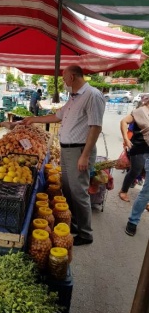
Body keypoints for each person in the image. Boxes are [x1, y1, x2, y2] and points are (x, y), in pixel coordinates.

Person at [23, 65, 105, 246]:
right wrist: (33, 120)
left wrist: (85, 155)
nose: (63, 82)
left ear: (73, 77)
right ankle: (75, 223)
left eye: (64, 78)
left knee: (78, 192)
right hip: (68, 150)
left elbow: (95, 127)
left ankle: (86, 233)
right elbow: (57, 116)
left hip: (79, 150)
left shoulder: (92, 95)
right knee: (68, 190)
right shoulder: (74, 98)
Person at [125, 96, 149, 236]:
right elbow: (125, 122)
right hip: (140, 150)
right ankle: (133, 221)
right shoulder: (141, 112)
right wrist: (126, 139)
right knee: (145, 190)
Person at [119, 99, 148, 202]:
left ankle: (146, 199)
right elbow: (123, 121)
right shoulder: (139, 112)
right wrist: (126, 139)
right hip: (138, 147)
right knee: (136, 170)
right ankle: (123, 190)